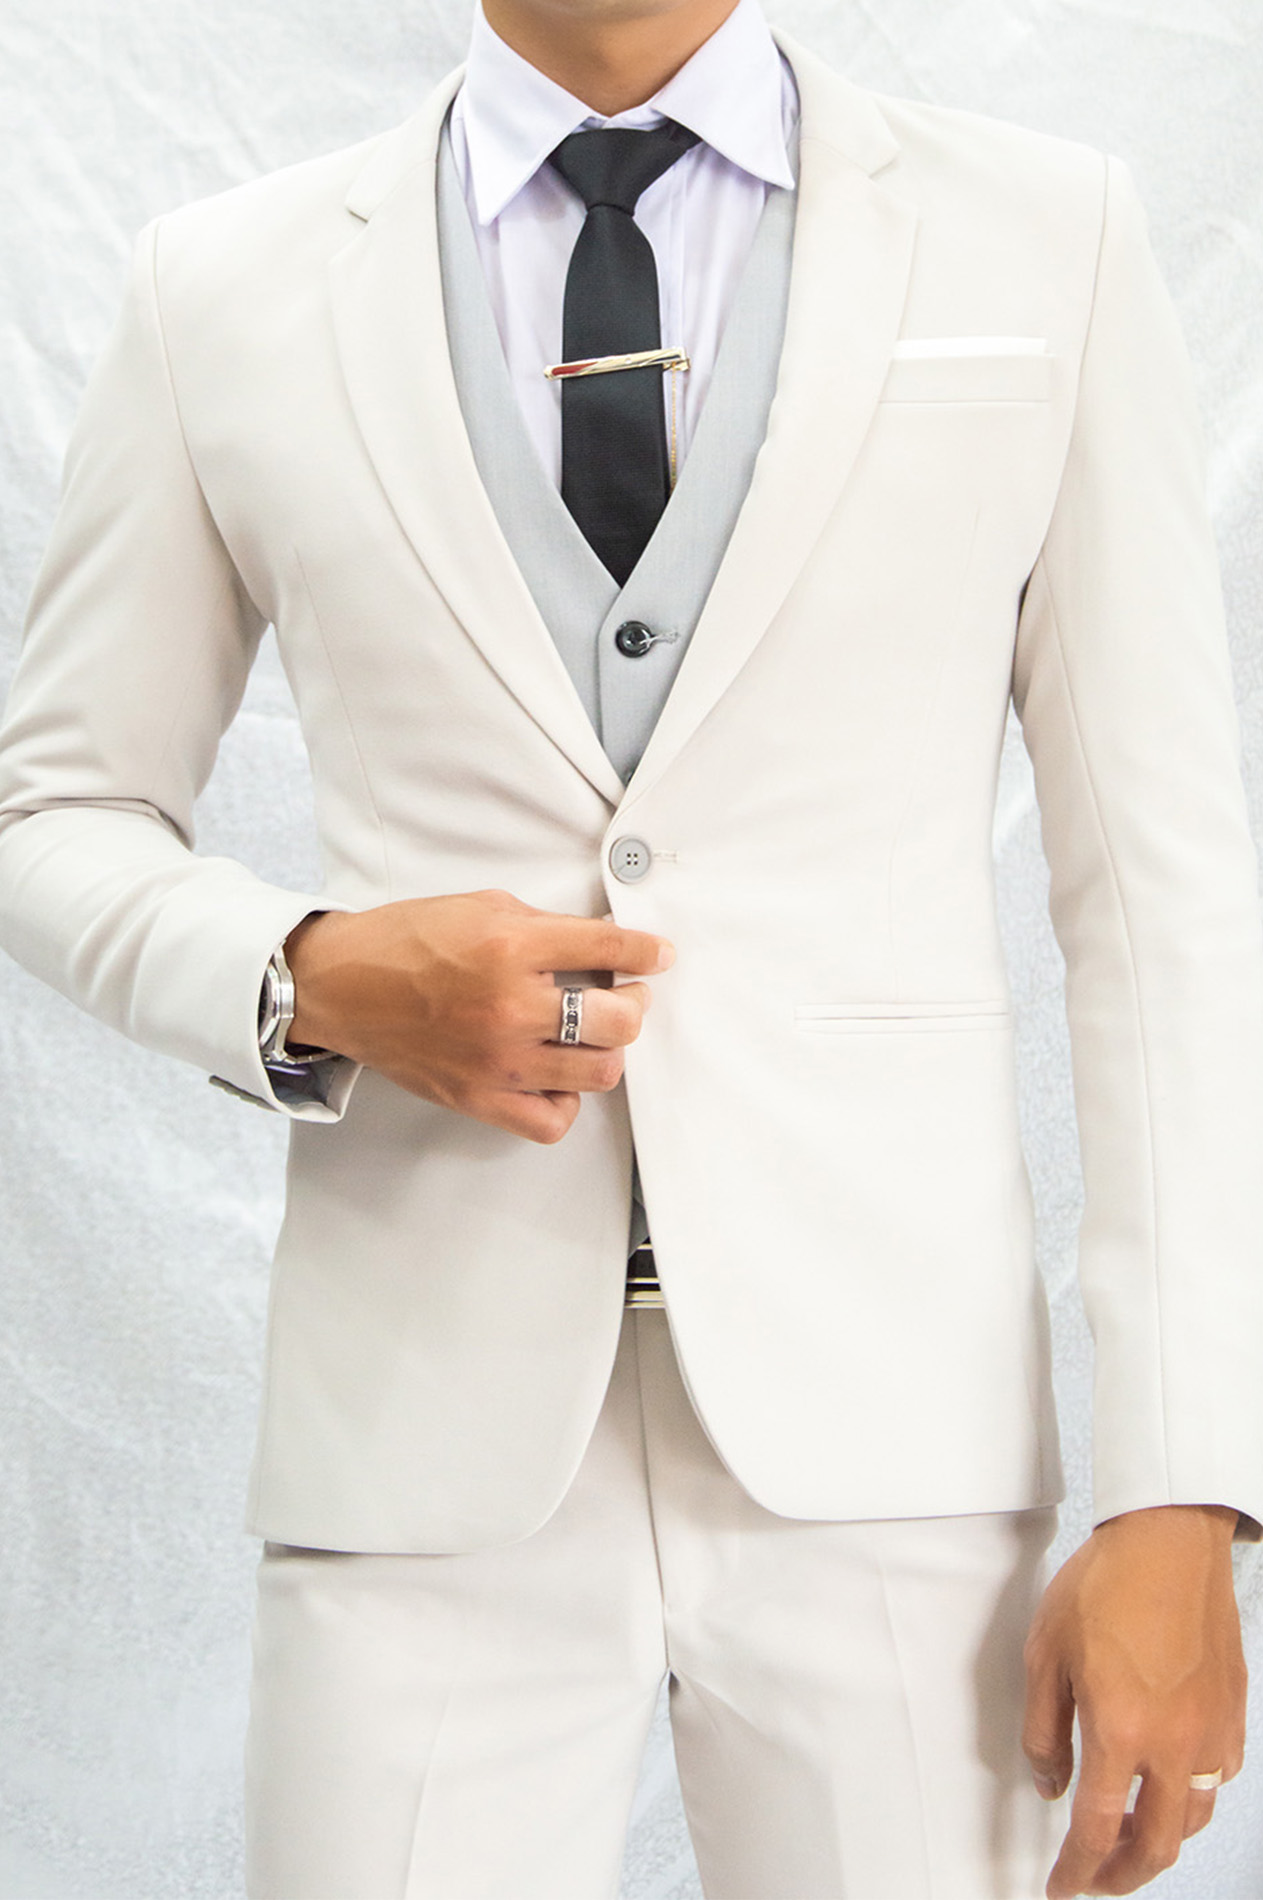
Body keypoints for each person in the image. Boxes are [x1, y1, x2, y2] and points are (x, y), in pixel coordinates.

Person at [1, 0, 1260, 1893]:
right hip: (420, 1452)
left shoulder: (1047, 236)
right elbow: (52, 809)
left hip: (896, 1443)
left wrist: (1185, 1485)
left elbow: (1163, 900)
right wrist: (314, 972)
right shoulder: (223, 287)